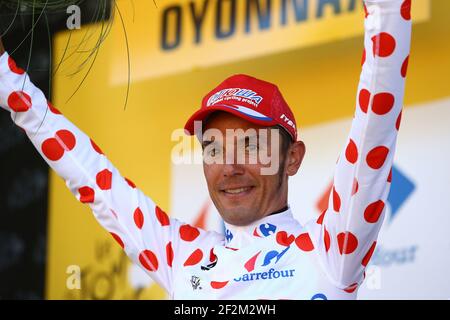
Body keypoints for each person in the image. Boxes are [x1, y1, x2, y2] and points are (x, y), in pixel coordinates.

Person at [0, 0, 412, 300]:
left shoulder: (332, 250)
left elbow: (376, 120)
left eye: (250, 144)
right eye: (213, 148)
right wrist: (8, 82)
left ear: (293, 157)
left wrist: (386, 11)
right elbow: (90, 175)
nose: (228, 166)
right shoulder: (182, 255)